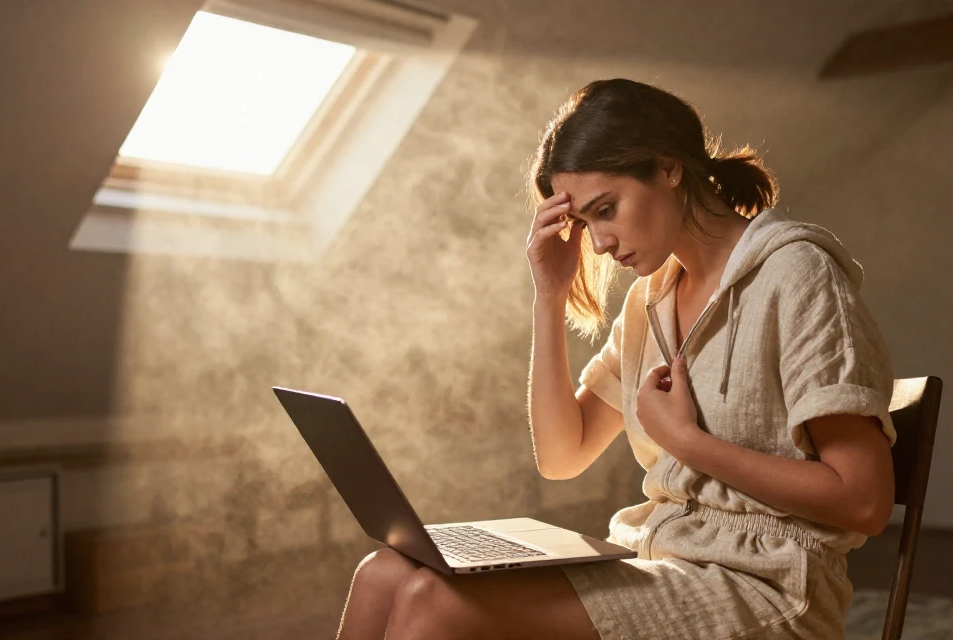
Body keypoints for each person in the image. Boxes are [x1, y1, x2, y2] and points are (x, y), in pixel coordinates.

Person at [335, 78, 897, 640]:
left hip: (770, 585)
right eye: (584, 223)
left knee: (436, 602)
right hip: (659, 556)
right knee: (385, 573)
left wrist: (689, 443)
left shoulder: (797, 275)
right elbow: (561, 454)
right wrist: (550, 296)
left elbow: (864, 501)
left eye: (607, 209)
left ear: (668, 167)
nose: (598, 243)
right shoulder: (650, 300)